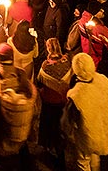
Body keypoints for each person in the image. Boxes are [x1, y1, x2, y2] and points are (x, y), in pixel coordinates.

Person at [61, 52, 108, 171]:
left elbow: (68, 120)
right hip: (101, 130)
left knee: (83, 161)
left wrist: (68, 134)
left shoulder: (76, 94)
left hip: (86, 136)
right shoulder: (103, 81)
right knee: (96, 157)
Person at [37, 37, 72, 167]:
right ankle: (60, 152)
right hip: (62, 102)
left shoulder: (46, 66)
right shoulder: (67, 62)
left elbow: (39, 82)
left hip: (49, 103)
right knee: (59, 128)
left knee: (48, 127)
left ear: (48, 48)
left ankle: (49, 148)